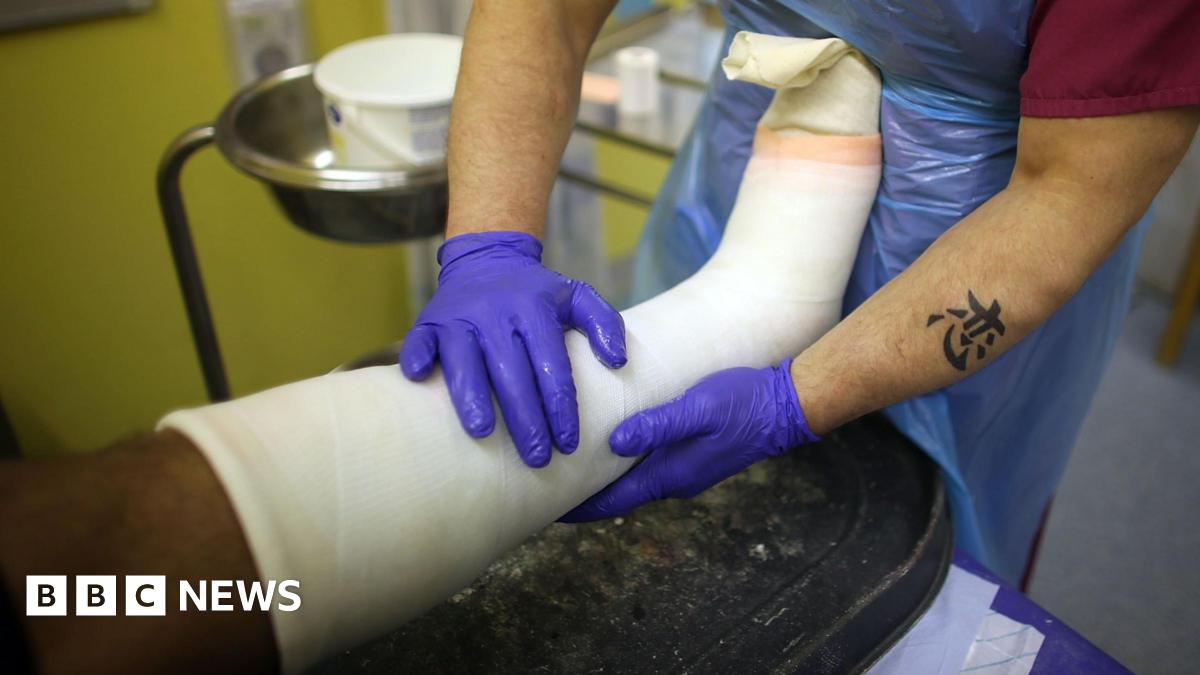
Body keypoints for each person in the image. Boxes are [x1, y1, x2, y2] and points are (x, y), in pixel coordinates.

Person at [400, 0, 1200, 584]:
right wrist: (488, 242)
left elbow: (1070, 194)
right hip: (748, 199)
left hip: (989, 251)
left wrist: (795, 399)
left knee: (914, 573)